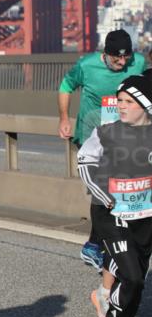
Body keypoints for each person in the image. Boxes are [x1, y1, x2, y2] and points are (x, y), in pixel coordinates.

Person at [77, 73, 152, 317]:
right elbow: (85, 162)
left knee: (137, 283)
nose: (121, 106)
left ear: (145, 105)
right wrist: (102, 193)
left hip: (145, 217)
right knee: (132, 277)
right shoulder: (106, 132)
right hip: (112, 215)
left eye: (129, 102)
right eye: (119, 100)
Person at [59, 29, 146, 273]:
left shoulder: (138, 62)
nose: (122, 62)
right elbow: (65, 86)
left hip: (124, 138)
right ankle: (98, 244)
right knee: (105, 187)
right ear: (104, 54)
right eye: (116, 58)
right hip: (91, 137)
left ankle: (104, 243)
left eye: (126, 57)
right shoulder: (86, 65)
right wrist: (64, 118)